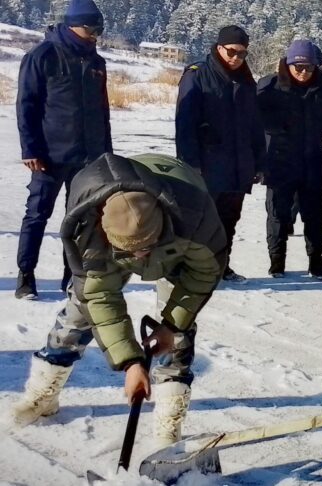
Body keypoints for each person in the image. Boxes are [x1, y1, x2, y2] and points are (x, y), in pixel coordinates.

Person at [9, 153, 226, 448]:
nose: (140, 258)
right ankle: (42, 396)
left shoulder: (196, 219)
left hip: (178, 238)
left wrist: (171, 326)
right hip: (113, 238)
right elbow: (98, 296)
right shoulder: (88, 226)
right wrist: (131, 363)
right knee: (78, 314)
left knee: (179, 335)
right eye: (131, 252)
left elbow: (202, 274)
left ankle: (169, 419)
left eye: (146, 248)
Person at [14, 0, 111, 299]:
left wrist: (106, 153)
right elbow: (26, 105)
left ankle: (73, 276)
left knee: (82, 219)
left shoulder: (97, 63)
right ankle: (26, 275)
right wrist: (30, 149)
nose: (95, 35)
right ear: (73, 25)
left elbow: (103, 112)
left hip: (88, 157)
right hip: (49, 155)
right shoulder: (43, 55)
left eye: (99, 30)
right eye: (91, 29)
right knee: (37, 214)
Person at [257, 39, 322, 280]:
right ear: (288, 64)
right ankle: (277, 262)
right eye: (299, 67)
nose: (304, 72)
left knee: (314, 216)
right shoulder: (269, 87)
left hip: (312, 164)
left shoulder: (321, 88)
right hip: (280, 164)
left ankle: (317, 262)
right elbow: (250, 119)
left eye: (309, 67)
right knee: (278, 215)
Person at [176, 25, 265, 283]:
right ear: (219, 47)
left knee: (229, 220)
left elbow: (255, 126)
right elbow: (185, 124)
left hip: (239, 165)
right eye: (231, 51)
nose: (236, 58)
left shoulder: (246, 81)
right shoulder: (198, 75)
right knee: (202, 221)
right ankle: (194, 271)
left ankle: (221, 267)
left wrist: (260, 162)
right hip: (208, 164)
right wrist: (189, 163)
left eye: (242, 53)